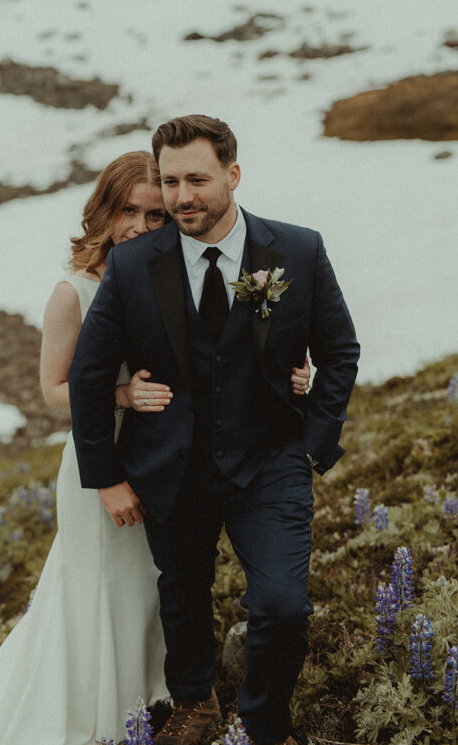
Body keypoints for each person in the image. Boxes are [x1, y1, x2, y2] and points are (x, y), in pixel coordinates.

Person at [0, 149, 311, 745]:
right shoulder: (73, 289)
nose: (140, 226)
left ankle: (161, 692)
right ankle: (97, 709)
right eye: (129, 210)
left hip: (175, 456)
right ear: (105, 210)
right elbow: (55, 391)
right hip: (105, 457)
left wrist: (288, 374)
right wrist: (122, 396)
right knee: (100, 584)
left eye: (156, 216)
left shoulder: (182, 270)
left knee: (158, 582)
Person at [69, 118, 359, 745]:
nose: (181, 197)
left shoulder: (299, 250)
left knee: (282, 604)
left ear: (232, 174)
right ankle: (195, 700)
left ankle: (263, 723)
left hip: (270, 461)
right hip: (169, 462)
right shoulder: (132, 265)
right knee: (182, 595)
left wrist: (314, 442)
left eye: (196, 179)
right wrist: (108, 478)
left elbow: (340, 350)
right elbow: (88, 377)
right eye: (169, 182)